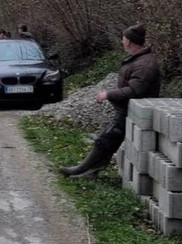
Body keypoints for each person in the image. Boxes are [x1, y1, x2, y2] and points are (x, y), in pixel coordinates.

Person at [60, 23, 161, 177]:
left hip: (132, 111)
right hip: (128, 110)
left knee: (104, 140)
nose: (122, 41)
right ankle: (92, 170)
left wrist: (108, 94)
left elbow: (134, 90)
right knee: (108, 140)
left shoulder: (144, 64)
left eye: (123, 39)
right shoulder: (140, 59)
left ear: (128, 41)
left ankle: (81, 170)